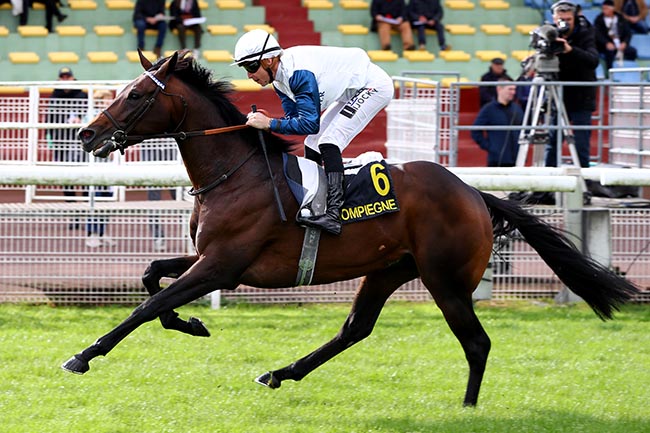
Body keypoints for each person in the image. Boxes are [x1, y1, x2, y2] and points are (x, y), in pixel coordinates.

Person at [231, 29, 394, 235]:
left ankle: (333, 214)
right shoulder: (280, 80)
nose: (249, 74)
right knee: (312, 143)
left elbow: (310, 124)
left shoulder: (297, 74)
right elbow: (294, 120)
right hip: (351, 91)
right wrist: (265, 123)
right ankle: (317, 203)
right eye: (244, 67)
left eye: (251, 66)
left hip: (373, 87)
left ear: (270, 60)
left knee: (329, 141)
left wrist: (270, 123)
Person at [545, 0, 599, 169]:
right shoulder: (549, 33)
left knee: (581, 143)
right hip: (558, 94)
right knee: (553, 141)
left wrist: (571, 50)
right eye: (561, 19)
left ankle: (584, 185)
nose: (564, 23)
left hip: (582, 96)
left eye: (568, 19)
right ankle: (546, 188)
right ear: (554, 18)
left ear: (575, 17)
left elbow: (593, 60)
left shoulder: (586, 32)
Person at [47, 67, 88, 206]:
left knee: (84, 174)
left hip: (80, 140)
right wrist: (51, 140)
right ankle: (72, 210)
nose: (65, 79)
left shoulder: (82, 95)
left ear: (72, 78)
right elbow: (50, 119)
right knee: (65, 176)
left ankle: (85, 208)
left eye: (67, 76)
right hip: (61, 141)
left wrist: (80, 121)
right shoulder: (54, 97)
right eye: (62, 77)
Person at [85, 89, 117, 248]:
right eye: (106, 99)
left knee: (106, 199)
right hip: (95, 163)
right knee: (94, 198)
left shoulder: (113, 117)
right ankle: (92, 234)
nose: (109, 102)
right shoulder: (93, 115)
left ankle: (103, 232)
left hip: (109, 163)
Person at [471, 79, 524, 167]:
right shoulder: (488, 109)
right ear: (499, 89)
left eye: (514, 89)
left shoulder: (517, 109)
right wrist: (491, 147)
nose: (513, 92)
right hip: (496, 160)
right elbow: (475, 131)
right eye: (510, 89)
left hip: (516, 159)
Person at [595, 0, 638, 71]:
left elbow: (628, 33)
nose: (604, 11)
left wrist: (625, 43)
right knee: (609, 52)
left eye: (606, 8)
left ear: (612, 9)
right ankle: (610, 72)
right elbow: (598, 34)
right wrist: (606, 43)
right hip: (607, 44)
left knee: (632, 51)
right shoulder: (599, 19)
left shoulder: (621, 18)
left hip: (619, 43)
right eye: (603, 8)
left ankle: (631, 70)